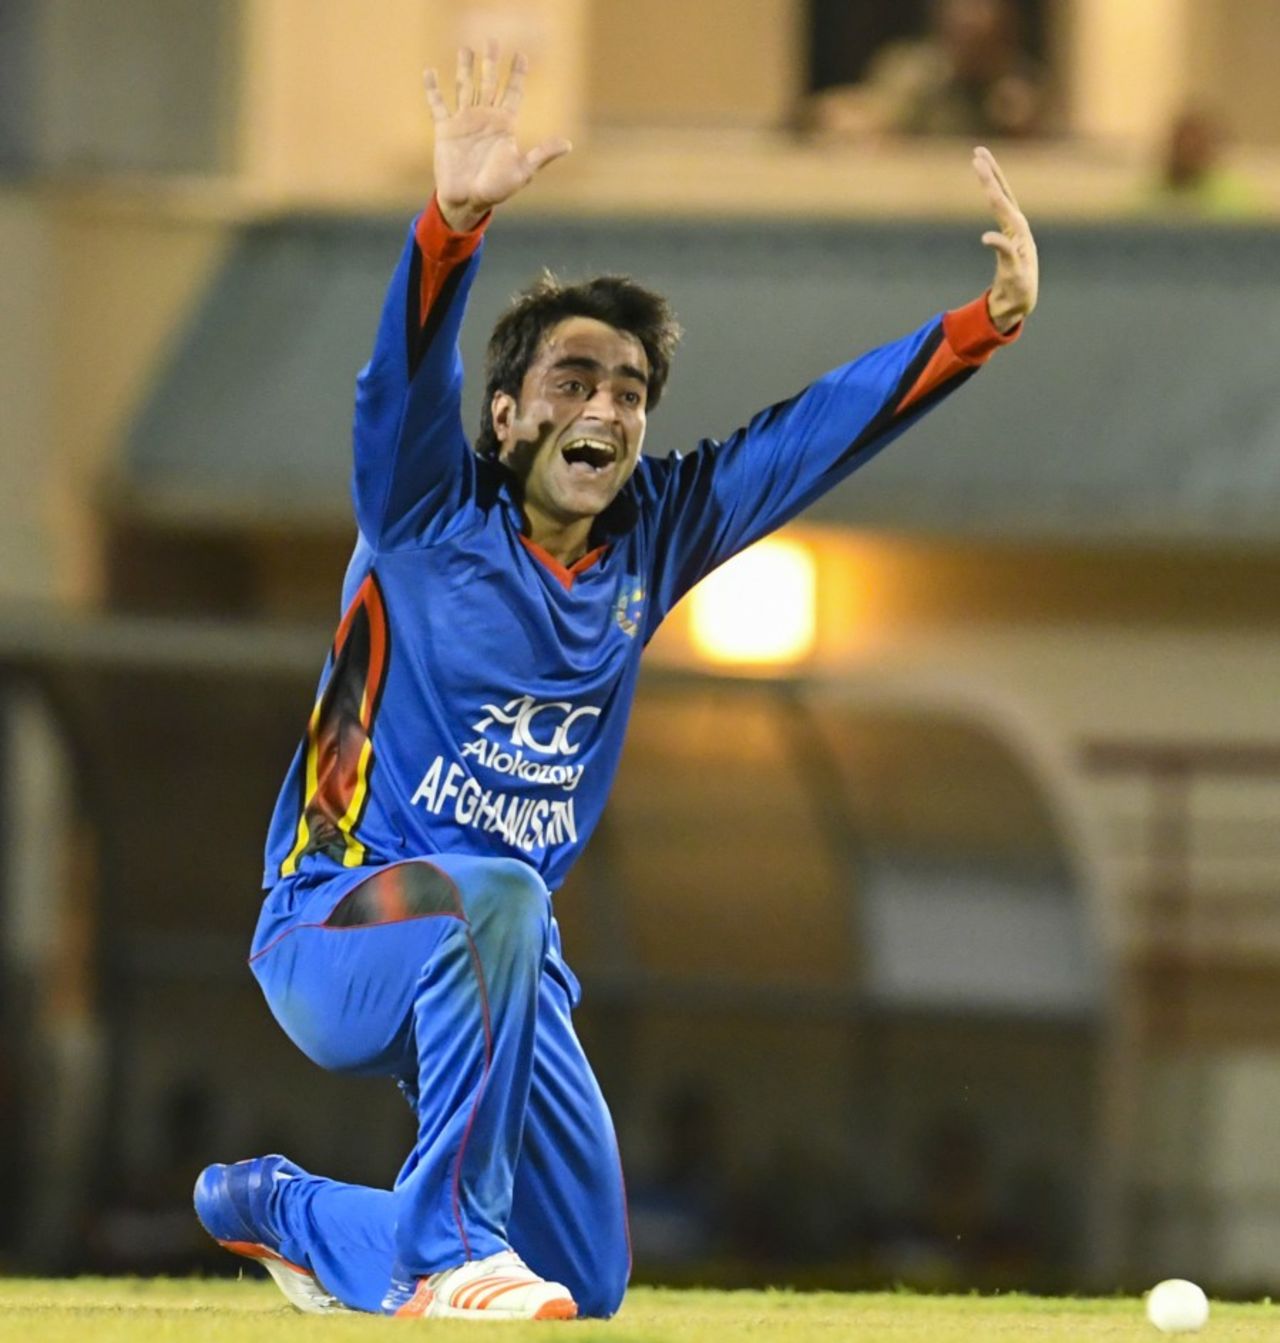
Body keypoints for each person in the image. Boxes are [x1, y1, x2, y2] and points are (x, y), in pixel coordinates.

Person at [192, 42, 1038, 1321]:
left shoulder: (656, 529)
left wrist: (982, 328)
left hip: (503, 958)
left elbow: (811, 432)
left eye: (631, 390)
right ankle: (453, 1242)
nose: (609, 406)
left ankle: (283, 1208)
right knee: (499, 900)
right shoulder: (426, 510)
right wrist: (453, 225)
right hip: (333, 926)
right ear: (506, 419)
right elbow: (393, 385)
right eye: (573, 381)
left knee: (584, 1285)